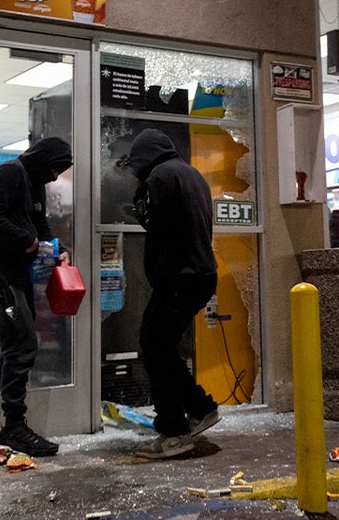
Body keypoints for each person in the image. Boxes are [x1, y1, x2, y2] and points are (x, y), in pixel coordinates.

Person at [0, 136, 72, 458]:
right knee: (23, 343)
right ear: (42, 160)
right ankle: (13, 427)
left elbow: (39, 222)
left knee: (17, 342)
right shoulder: (8, 174)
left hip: (16, 273)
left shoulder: (34, 182)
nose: (54, 177)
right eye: (54, 169)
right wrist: (28, 241)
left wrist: (56, 248)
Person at [125, 128, 221, 459]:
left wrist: (139, 198)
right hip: (200, 274)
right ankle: (199, 407)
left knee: (154, 347)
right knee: (161, 347)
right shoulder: (191, 173)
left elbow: (153, 219)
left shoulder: (160, 177)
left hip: (180, 277)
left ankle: (175, 432)